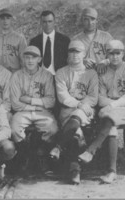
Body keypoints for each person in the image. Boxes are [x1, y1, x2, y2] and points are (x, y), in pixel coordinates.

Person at [50, 40, 98, 184]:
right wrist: (79, 104)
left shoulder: (91, 73)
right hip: (68, 109)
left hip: (86, 110)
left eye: (78, 52)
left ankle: (59, 148)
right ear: (68, 53)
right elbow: (63, 97)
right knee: (76, 133)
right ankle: (75, 169)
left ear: (84, 54)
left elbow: (93, 97)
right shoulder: (61, 72)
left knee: (76, 125)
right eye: (72, 51)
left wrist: (83, 106)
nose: (75, 55)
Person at [78, 40, 125, 184]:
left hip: (118, 107)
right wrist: (112, 106)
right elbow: (100, 98)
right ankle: (111, 172)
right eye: (111, 53)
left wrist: (113, 105)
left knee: (108, 116)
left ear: (123, 54)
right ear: (107, 55)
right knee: (110, 126)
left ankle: (91, 150)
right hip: (111, 109)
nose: (115, 57)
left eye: (118, 53)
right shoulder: (103, 71)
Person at [10, 46, 58, 174]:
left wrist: (30, 100)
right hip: (22, 111)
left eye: (34, 57)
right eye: (27, 57)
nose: (30, 61)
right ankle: (25, 156)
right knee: (14, 129)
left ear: (39, 59)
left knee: (52, 128)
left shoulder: (47, 75)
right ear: (23, 59)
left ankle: (41, 156)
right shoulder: (17, 75)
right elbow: (15, 103)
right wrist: (36, 106)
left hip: (42, 112)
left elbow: (51, 101)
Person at [29, 10, 70, 75]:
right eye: (44, 22)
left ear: (54, 22)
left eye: (50, 21)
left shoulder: (65, 40)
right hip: (39, 77)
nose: (47, 25)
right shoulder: (34, 41)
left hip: (58, 77)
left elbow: (69, 61)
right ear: (41, 23)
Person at [73, 7, 113, 73]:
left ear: (97, 20)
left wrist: (106, 61)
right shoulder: (76, 39)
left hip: (104, 76)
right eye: (86, 19)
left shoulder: (106, 37)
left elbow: (119, 55)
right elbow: (69, 60)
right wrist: (81, 61)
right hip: (83, 78)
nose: (90, 22)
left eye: (92, 19)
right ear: (82, 21)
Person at [0, 8, 27, 73]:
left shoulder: (20, 38)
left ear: (11, 20)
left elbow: (24, 60)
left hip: (15, 74)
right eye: (2, 18)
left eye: (8, 18)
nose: (5, 21)